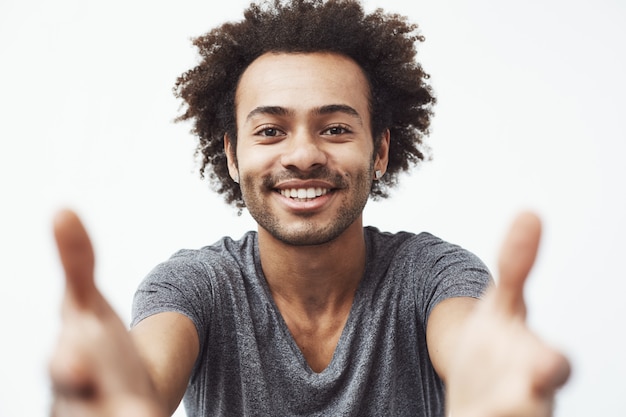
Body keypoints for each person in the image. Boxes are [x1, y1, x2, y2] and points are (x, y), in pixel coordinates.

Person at [49, 1, 571, 416]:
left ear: (381, 151)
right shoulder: (193, 286)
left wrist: (492, 384)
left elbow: (471, 347)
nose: (302, 155)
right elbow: (147, 375)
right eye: (270, 131)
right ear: (232, 155)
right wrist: (120, 393)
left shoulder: (431, 276)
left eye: (337, 129)